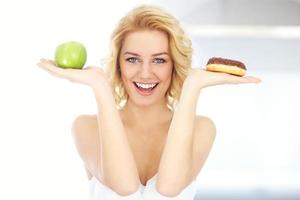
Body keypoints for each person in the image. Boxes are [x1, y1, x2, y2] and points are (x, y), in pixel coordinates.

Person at [37, 4, 261, 200]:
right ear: (118, 64)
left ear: (174, 65)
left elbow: (168, 188)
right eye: (133, 59)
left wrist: (192, 86)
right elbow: (124, 187)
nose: (145, 73)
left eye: (159, 60)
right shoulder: (86, 127)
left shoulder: (202, 128)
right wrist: (100, 86)